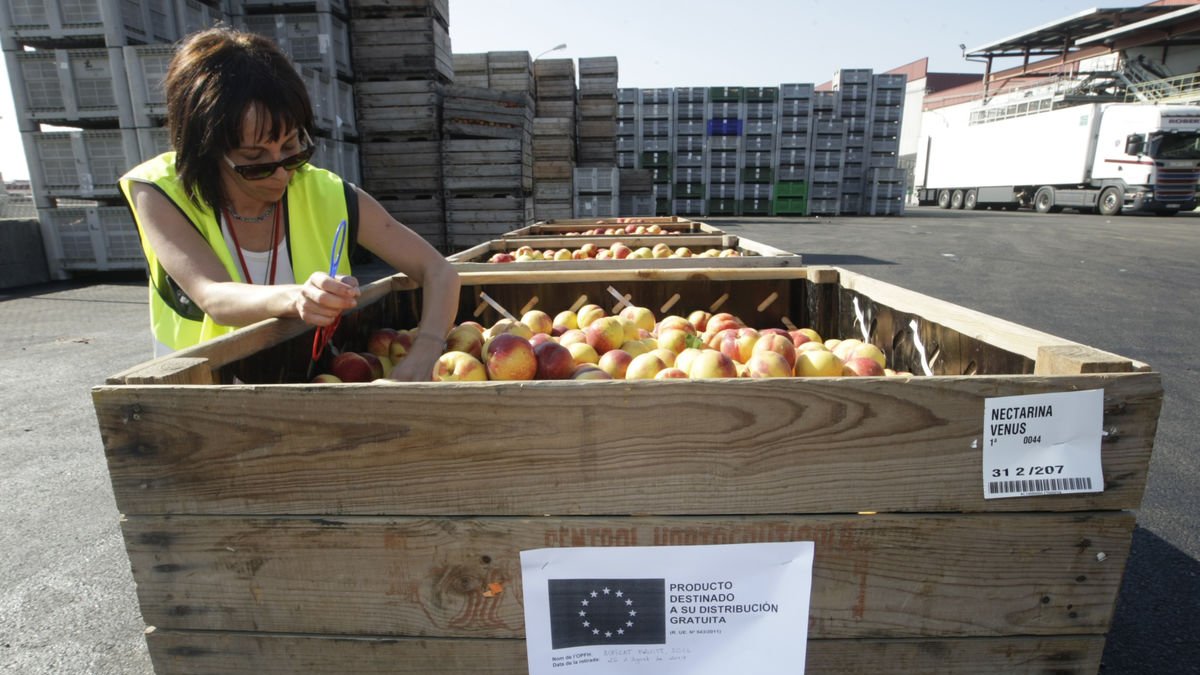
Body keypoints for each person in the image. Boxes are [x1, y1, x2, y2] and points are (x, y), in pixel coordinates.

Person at [119, 25, 460, 381]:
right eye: (255, 159)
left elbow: (439, 271)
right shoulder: (161, 191)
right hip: (199, 400)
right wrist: (298, 298)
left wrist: (426, 350)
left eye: (292, 148)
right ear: (208, 150)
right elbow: (214, 297)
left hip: (310, 394)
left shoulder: (327, 193)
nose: (281, 173)